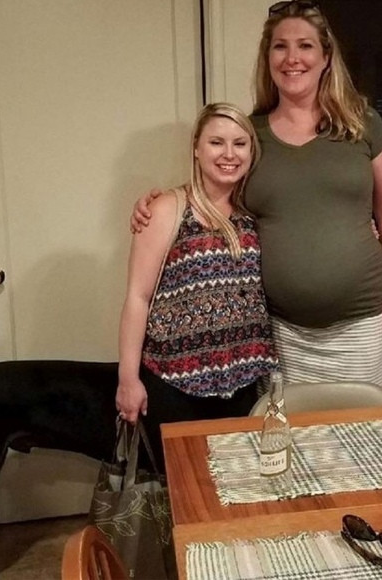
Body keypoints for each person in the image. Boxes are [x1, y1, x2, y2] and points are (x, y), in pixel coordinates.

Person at [130, 0, 382, 390]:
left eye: (305, 45)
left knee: (361, 426)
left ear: (326, 57)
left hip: (360, 322)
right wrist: (157, 205)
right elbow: (212, 195)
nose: (292, 58)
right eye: (280, 46)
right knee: (285, 427)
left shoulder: (362, 124)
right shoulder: (251, 135)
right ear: (267, 59)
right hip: (280, 332)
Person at [116, 103, 278, 469]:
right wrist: (128, 379)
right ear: (196, 148)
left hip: (244, 380)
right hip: (176, 382)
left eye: (240, 144)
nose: (229, 154)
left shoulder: (252, 213)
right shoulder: (168, 209)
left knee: (236, 484)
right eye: (216, 142)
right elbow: (138, 297)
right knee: (183, 487)